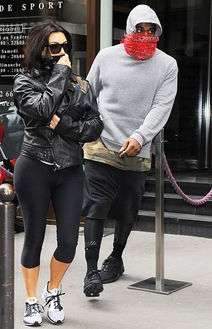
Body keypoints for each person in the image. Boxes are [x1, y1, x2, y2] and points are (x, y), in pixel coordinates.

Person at [82, 4, 178, 297]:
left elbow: (161, 106)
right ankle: (90, 271)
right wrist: (89, 127)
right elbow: (89, 92)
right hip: (100, 145)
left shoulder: (167, 65)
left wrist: (140, 136)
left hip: (137, 149)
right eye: (140, 29)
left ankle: (116, 257)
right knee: (96, 207)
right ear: (129, 29)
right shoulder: (106, 57)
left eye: (151, 31)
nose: (145, 35)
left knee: (127, 210)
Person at [13, 21, 103, 326]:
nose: (62, 53)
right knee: (34, 238)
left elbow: (94, 126)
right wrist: (61, 75)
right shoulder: (24, 82)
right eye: (54, 47)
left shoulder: (81, 85)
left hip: (70, 170)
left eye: (65, 47)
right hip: (34, 167)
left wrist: (64, 125)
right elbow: (40, 110)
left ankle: (53, 291)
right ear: (41, 50)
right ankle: (30, 299)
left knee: (68, 241)